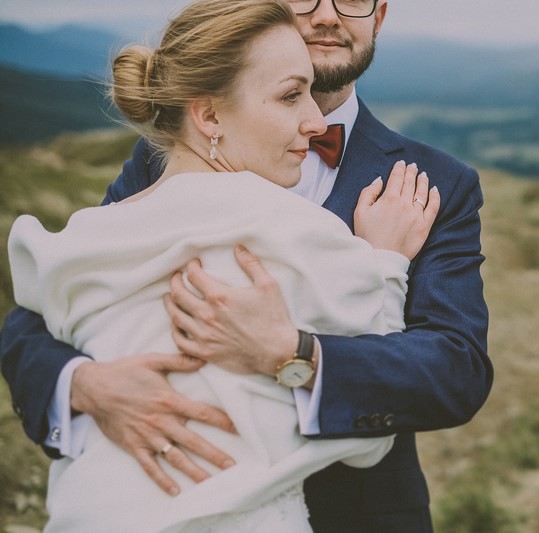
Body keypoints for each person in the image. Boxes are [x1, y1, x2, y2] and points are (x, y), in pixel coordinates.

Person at [1, 0, 492, 531]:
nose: (327, 15)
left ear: (379, 15)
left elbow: (455, 369)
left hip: (354, 516)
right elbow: (52, 306)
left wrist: (292, 354)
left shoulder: (432, 183)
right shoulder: (164, 156)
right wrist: (82, 384)